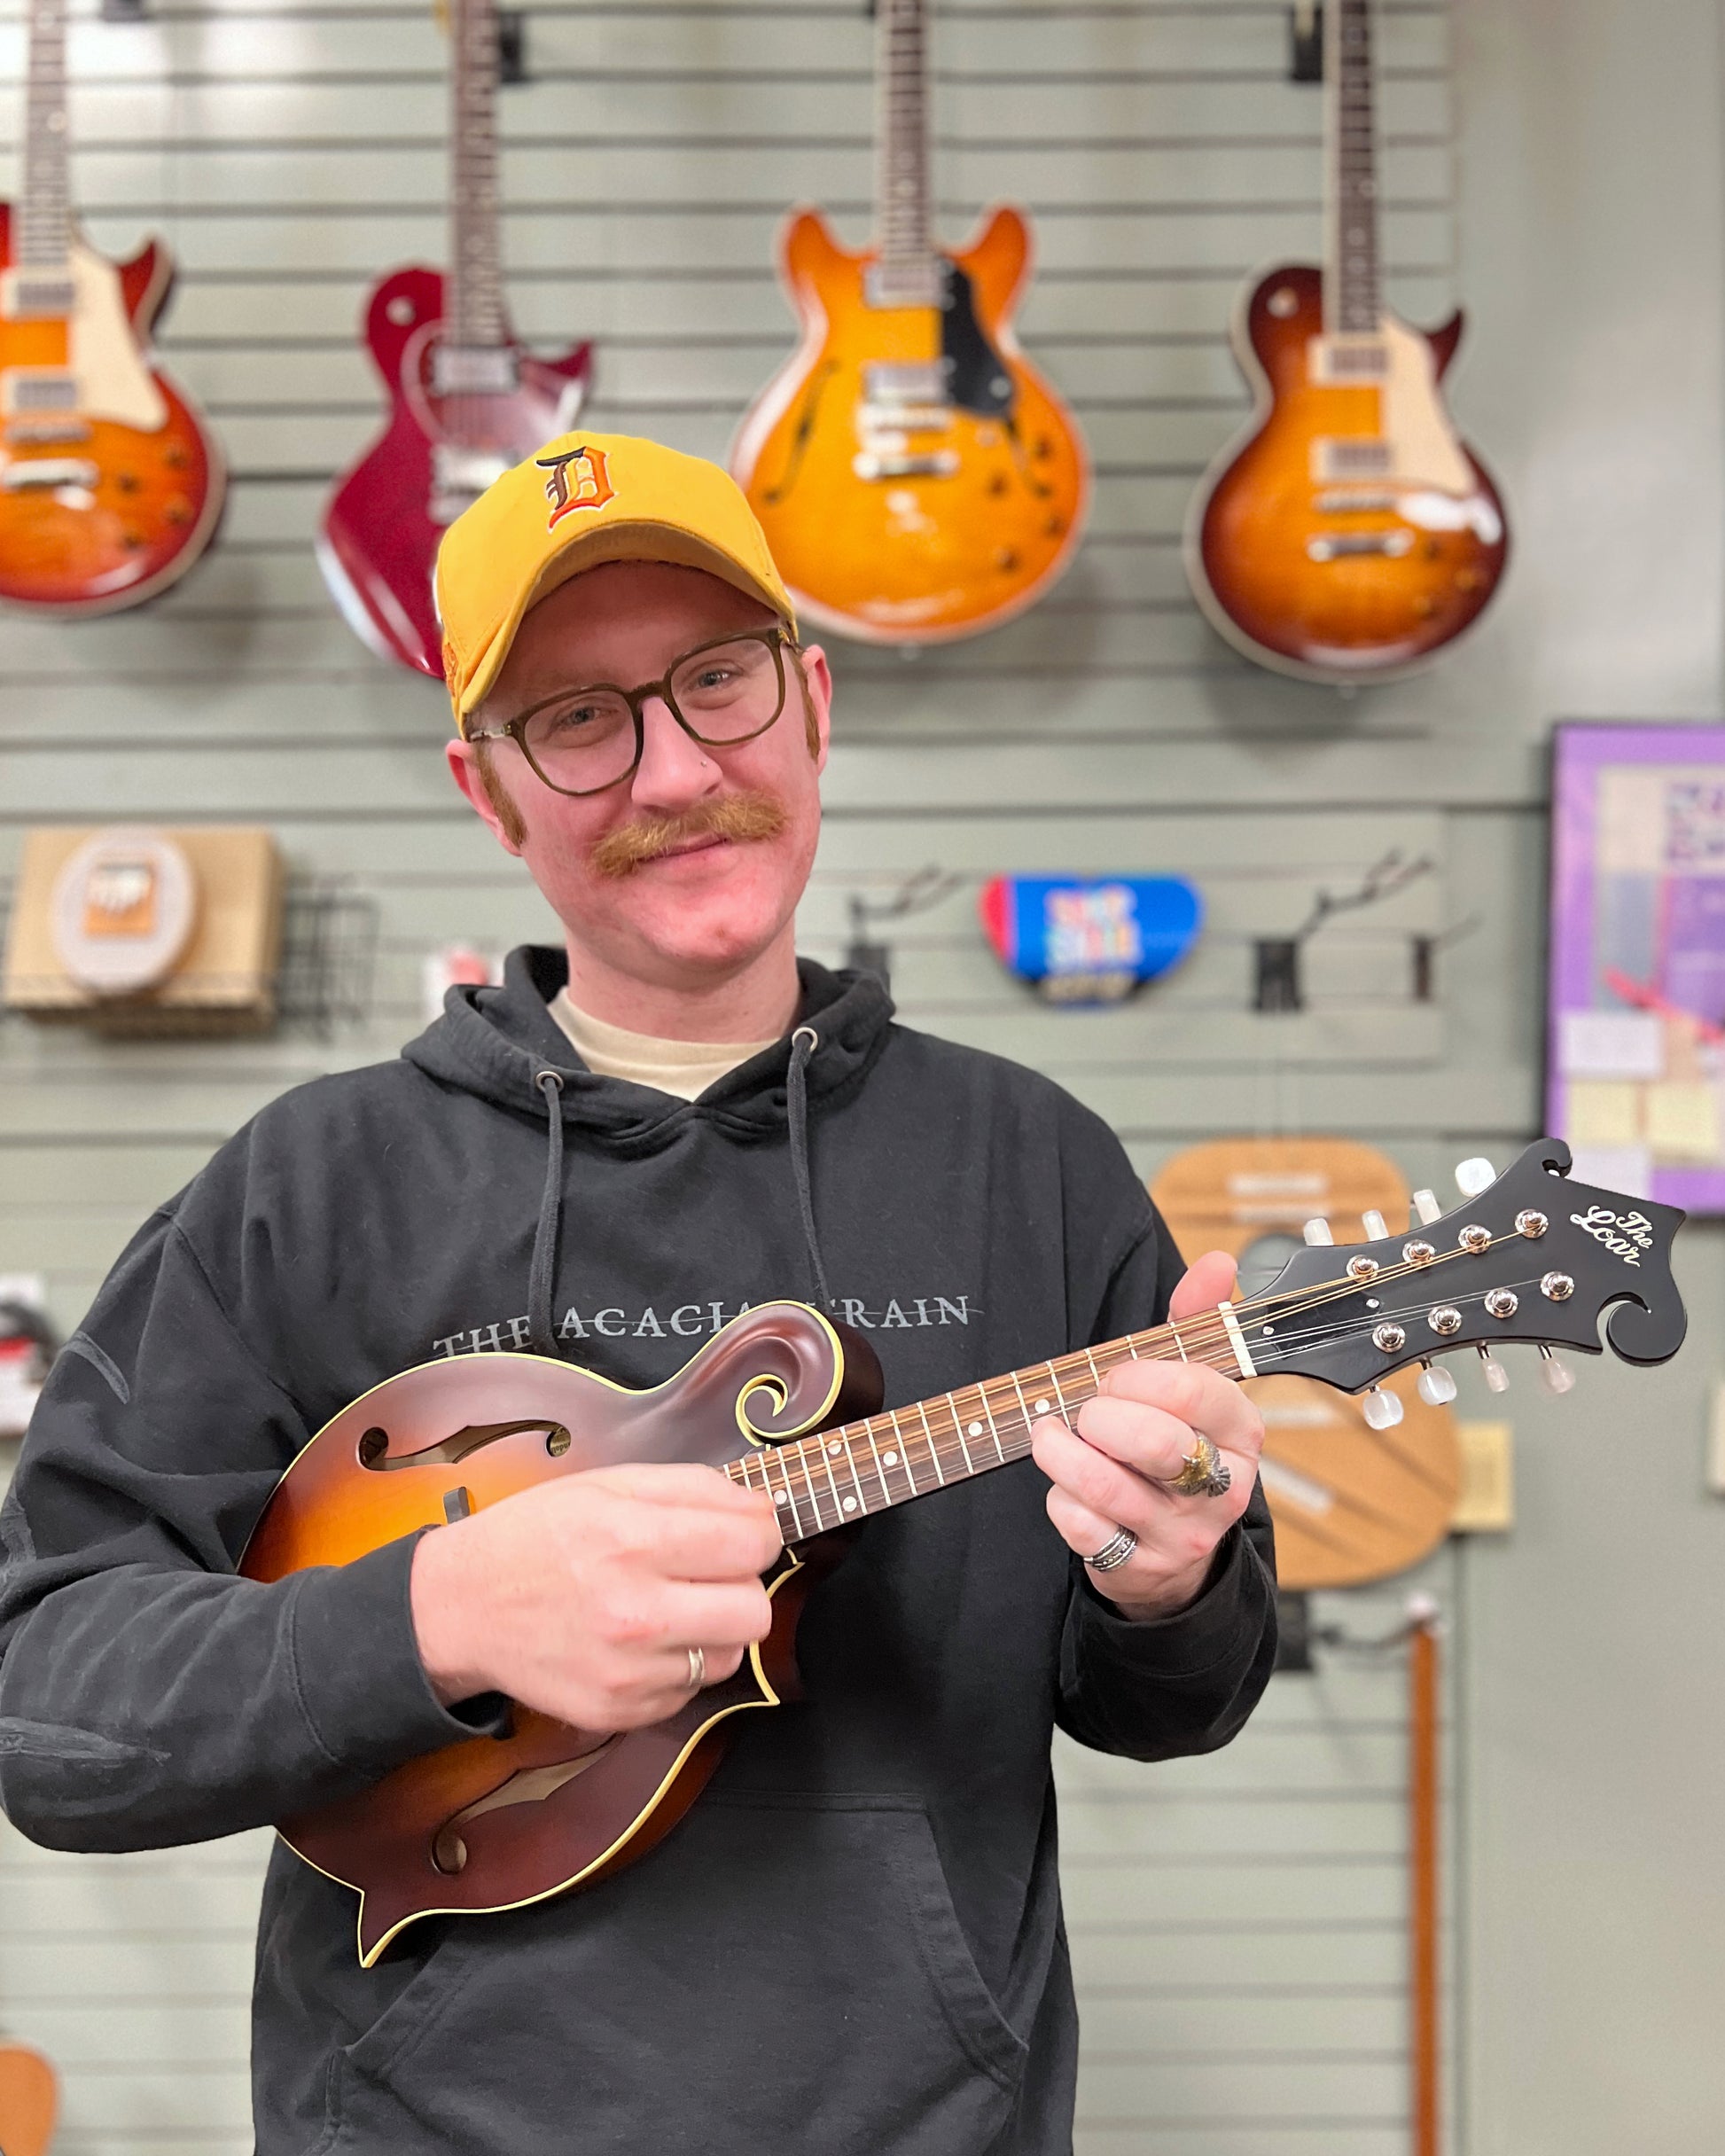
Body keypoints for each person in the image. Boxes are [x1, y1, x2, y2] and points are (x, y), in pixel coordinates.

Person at [0, 434, 1276, 2155]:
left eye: (718, 682)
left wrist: (1171, 1564)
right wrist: (435, 1614)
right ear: (487, 790)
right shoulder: (308, 1188)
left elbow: (1167, 1700)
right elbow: (53, 1706)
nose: (673, 770)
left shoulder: (1027, 1165)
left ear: (812, 703)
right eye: (578, 720)